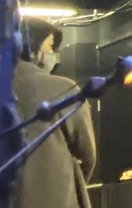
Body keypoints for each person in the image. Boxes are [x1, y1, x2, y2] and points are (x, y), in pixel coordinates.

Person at [11, 22, 97, 208]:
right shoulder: (64, 90)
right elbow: (87, 157)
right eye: (50, 46)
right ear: (34, 47)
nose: (54, 55)